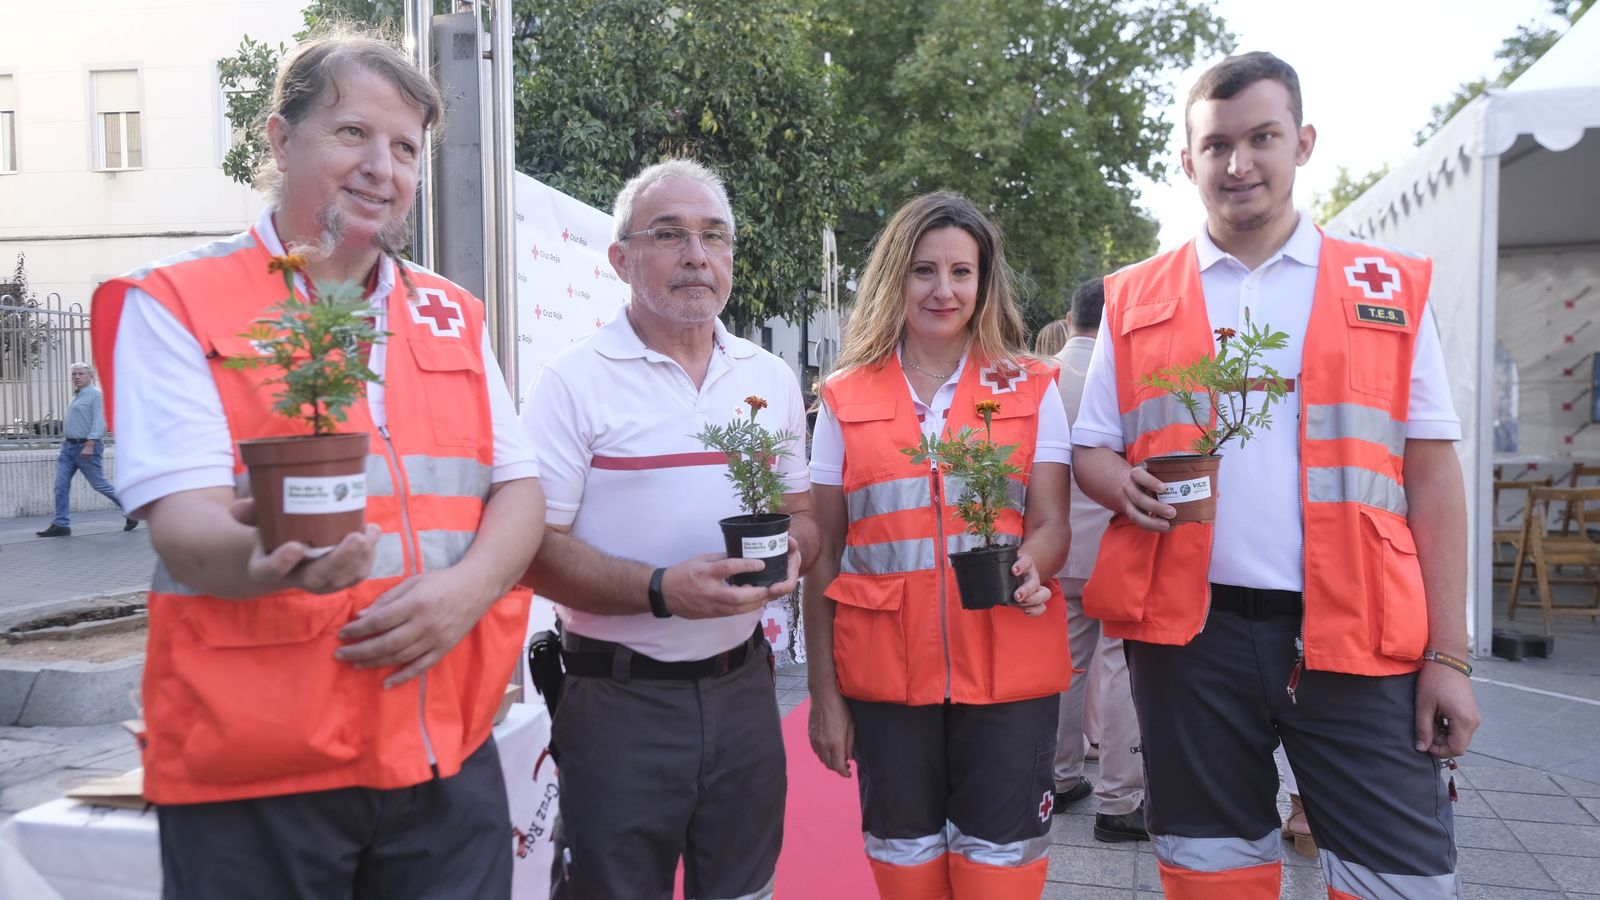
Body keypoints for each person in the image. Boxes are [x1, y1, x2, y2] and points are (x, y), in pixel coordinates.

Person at [89, 29, 544, 899]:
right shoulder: (180, 300)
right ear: (278, 139)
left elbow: (518, 489)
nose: (384, 165)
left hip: (440, 747)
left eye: (406, 147)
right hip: (260, 763)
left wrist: (469, 590)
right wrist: (269, 566)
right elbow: (183, 530)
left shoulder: (449, 312)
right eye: (352, 134)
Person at [1072, 51, 1479, 898]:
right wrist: (1119, 484)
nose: (1239, 163)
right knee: (1208, 871)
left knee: (1400, 878)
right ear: (1187, 162)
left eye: (1262, 137)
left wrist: (1450, 655)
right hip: (1191, 638)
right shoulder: (1137, 296)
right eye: (1216, 144)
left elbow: (1433, 479)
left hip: (1358, 635)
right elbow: (1094, 447)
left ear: (1304, 143)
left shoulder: (1387, 289)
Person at [521, 158, 815, 900]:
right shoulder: (572, 381)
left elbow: (802, 516)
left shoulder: (768, 379)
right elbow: (532, 551)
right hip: (618, 702)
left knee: (746, 889)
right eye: (670, 234)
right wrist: (659, 591)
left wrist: (794, 558)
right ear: (621, 259)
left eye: (715, 237)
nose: (697, 255)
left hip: (745, 690)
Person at [805, 191, 1073, 899]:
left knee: (999, 881)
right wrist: (824, 696)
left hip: (1009, 673)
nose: (943, 290)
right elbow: (824, 555)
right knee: (908, 876)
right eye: (924, 270)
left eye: (962, 271)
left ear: (984, 282)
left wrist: (1032, 565)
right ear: (896, 277)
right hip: (886, 683)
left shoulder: (1032, 387)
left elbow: (1052, 524)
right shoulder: (842, 397)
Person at [1048, 277, 1148, 843]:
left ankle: (1058, 778)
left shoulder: (1041, 377)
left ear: (1068, 319)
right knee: (1119, 669)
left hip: (1057, 541)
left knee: (1064, 666)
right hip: (1118, 540)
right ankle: (1120, 798)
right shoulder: (1131, 378)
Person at [35, 362, 135, 537]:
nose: (77, 377)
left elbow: (98, 422)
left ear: (90, 376)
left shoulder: (96, 395)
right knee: (60, 485)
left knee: (99, 484)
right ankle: (61, 524)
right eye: (74, 374)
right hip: (68, 447)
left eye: (81, 374)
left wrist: (90, 444)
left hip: (87, 446)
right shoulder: (78, 395)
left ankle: (132, 509)